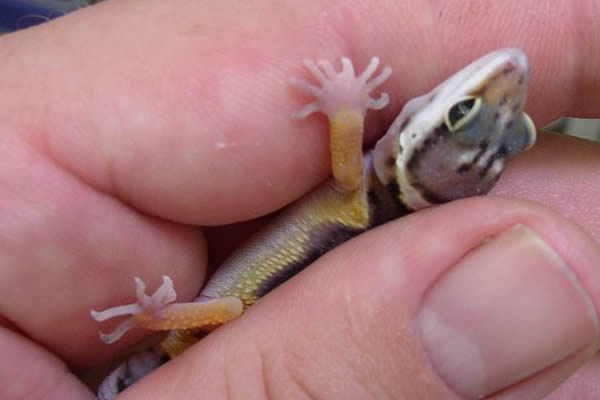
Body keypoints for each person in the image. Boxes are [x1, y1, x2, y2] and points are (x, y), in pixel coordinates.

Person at [0, 1, 599, 399]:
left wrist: (346, 104)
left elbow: (343, 162)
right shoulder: (377, 202)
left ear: (409, 150)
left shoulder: (356, 189)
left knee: (228, 311)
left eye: (463, 112)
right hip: (182, 338)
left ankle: (160, 319)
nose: (509, 77)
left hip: (194, 331)